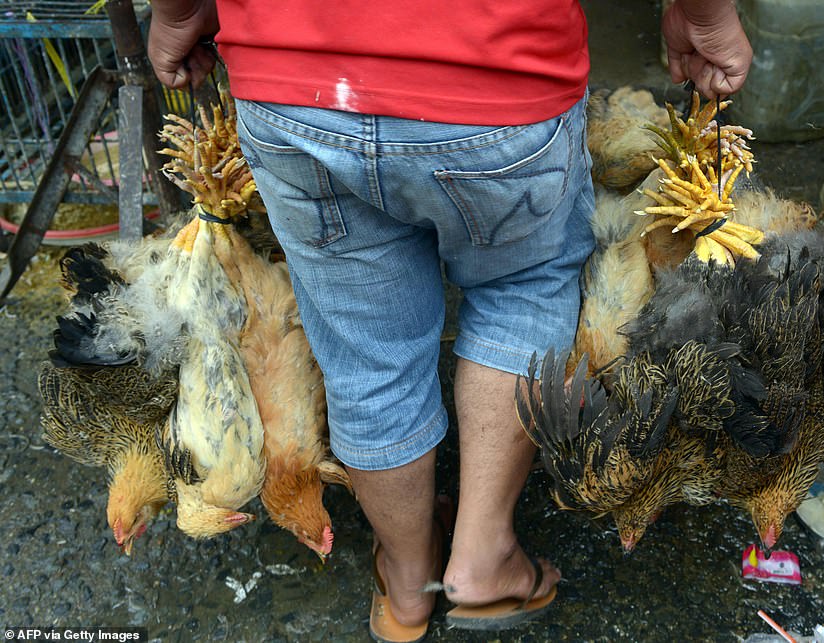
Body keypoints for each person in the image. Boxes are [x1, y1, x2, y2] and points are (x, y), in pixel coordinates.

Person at [148, 1, 752, 640]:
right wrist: (703, 15)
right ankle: (481, 559)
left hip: (296, 88)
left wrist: (178, 11)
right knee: (521, 288)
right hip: (498, 76)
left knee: (366, 353)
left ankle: (409, 582)